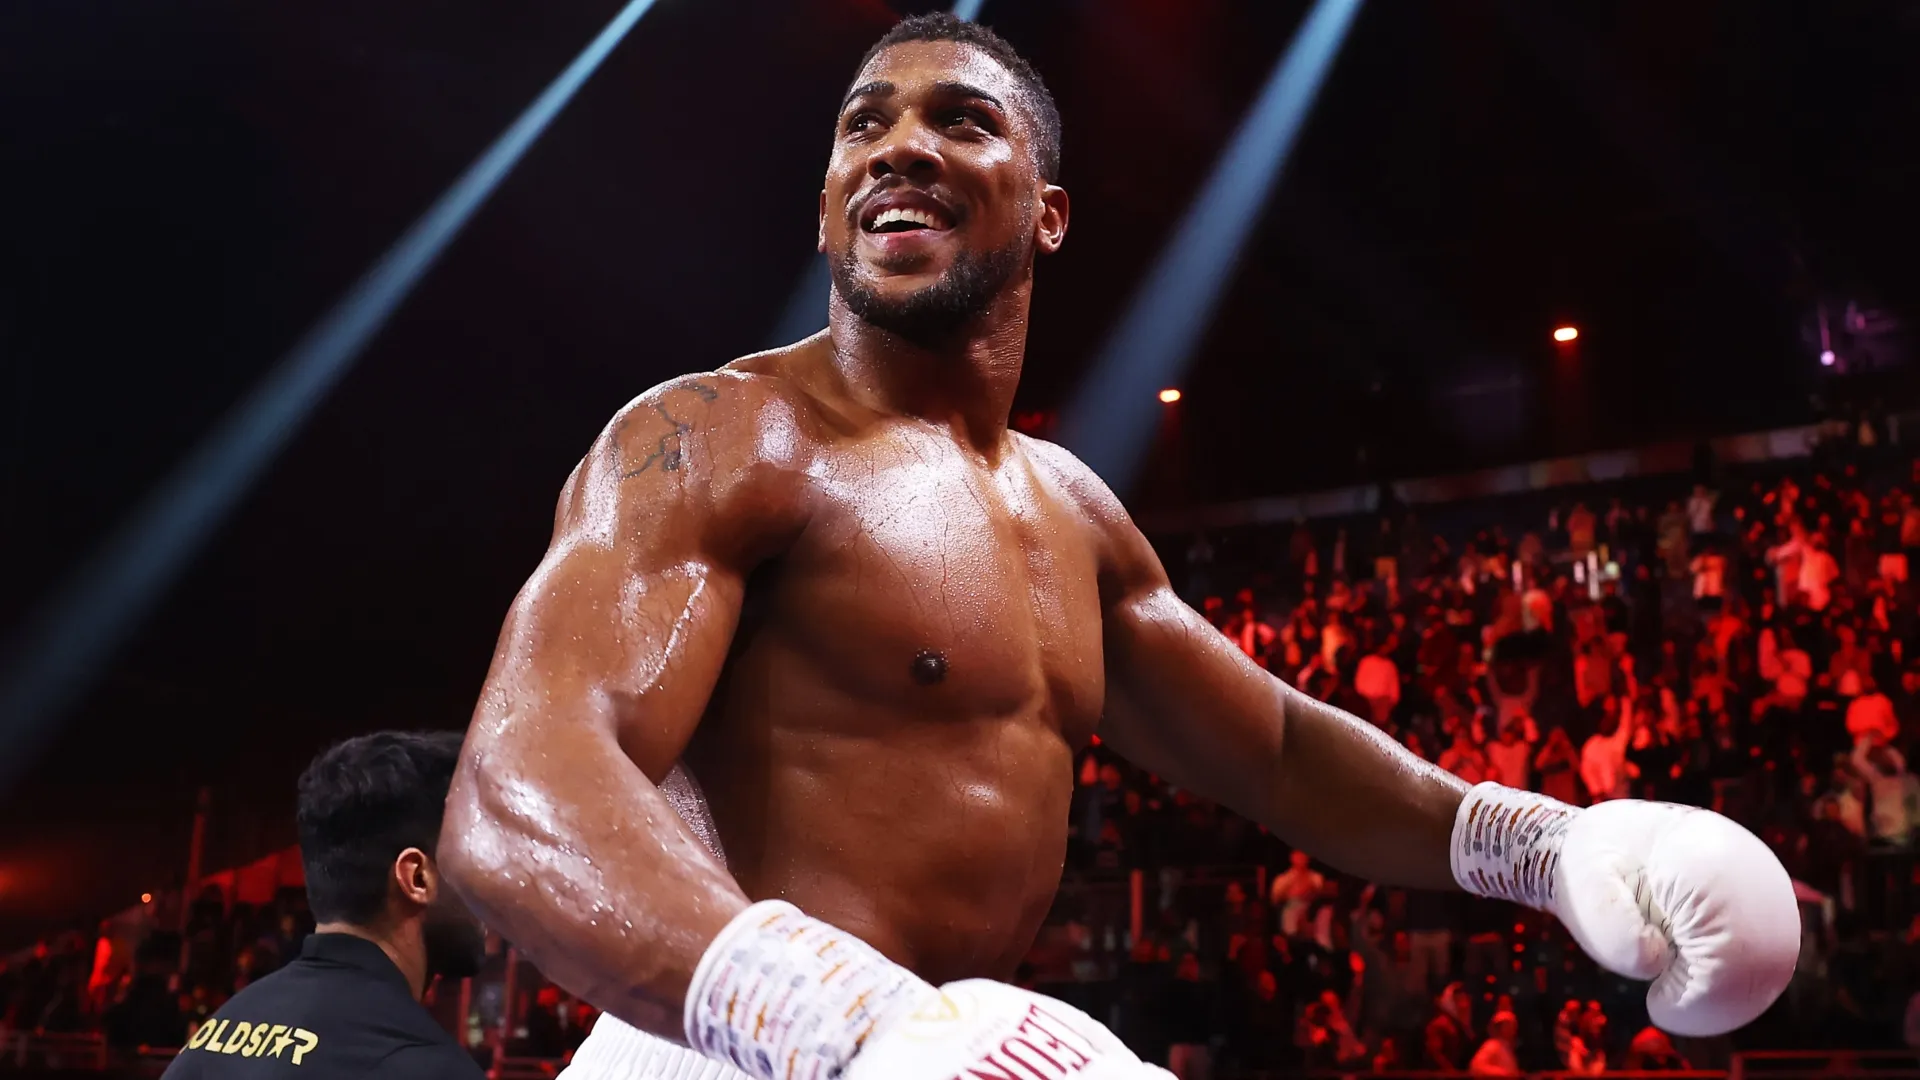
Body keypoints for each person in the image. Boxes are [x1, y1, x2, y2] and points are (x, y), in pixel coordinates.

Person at [438, 15, 1801, 1080]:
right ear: (827, 203)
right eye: (864, 124)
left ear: (1048, 212)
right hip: (729, 1039)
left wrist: (1542, 846)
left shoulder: (1070, 515)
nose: (897, 147)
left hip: (942, 1044)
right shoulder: (721, 436)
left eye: (959, 119)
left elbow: (1277, 751)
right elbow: (518, 784)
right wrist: (826, 1015)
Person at [163, 732, 485, 1079]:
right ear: (418, 877)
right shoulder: (429, 1065)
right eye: (475, 857)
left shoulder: (211, 1040)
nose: (488, 883)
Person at [1467, 1010, 1521, 1077]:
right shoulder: (1492, 1045)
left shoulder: (1506, 1047)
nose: (1512, 1028)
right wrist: (1503, 1073)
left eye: (1512, 1025)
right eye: (1507, 1025)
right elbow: (1476, 1067)